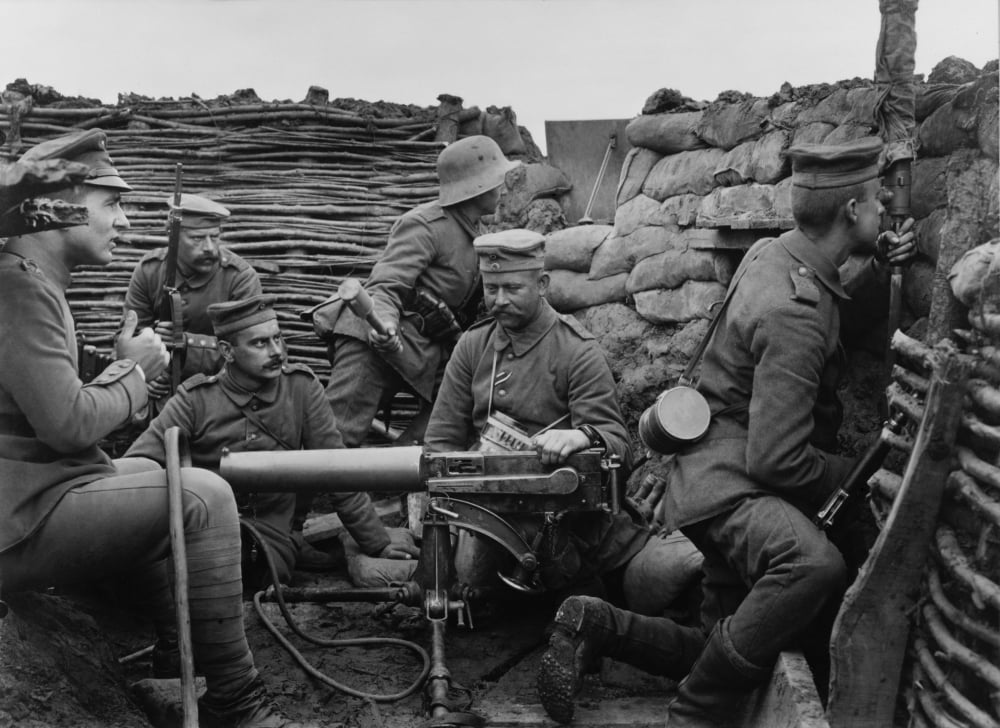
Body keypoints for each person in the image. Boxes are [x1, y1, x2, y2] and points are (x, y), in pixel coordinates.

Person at [536, 137, 917, 726]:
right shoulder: (795, 312)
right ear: (850, 211)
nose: (883, 211)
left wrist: (875, 272)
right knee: (813, 567)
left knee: (727, 638)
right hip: (734, 485)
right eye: (875, 202)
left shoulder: (772, 255)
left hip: (702, 469)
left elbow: (832, 302)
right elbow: (779, 462)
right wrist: (862, 481)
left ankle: (598, 622)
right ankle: (696, 713)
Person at [0, 129, 310, 728]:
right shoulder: (20, 290)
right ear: (58, 208)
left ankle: (175, 652)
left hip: (25, 499)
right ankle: (237, 702)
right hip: (15, 520)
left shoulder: (28, 281)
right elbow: (67, 426)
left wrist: (121, 375)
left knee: (153, 469)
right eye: (111, 204)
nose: (125, 223)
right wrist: (133, 373)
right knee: (205, 494)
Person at [424, 228, 703, 606]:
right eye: (491, 289)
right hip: (485, 515)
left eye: (512, 288)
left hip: (565, 525)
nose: (500, 301)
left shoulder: (577, 352)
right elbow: (441, 441)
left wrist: (583, 436)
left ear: (541, 284)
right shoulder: (473, 347)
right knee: (457, 587)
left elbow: (618, 446)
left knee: (629, 588)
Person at [124, 294, 419, 588]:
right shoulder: (196, 400)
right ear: (227, 351)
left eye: (278, 338)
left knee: (237, 572)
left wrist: (378, 543)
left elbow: (336, 471)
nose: (277, 351)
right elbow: (141, 462)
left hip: (269, 540)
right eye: (260, 343)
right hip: (203, 529)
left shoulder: (300, 389)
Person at [319, 135, 519, 448]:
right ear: (477, 186)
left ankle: (397, 482)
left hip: (421, 351)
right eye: (497, 180)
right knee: (335, 439)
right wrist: (383, 323)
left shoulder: (477, 234)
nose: (503, 188)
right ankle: (311, 496)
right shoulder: (424, 225)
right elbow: (385, 285)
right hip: (372, 342)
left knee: (462, 406)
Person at [123, 192, 262, 399]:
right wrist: (143, 375)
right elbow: (128, 336)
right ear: (174, 237)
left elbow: (250, 350)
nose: (209, 247)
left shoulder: (239, 278)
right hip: (162, 395)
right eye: (197, 238)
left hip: (223, 393)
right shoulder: (149, 271)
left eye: (214, 237)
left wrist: (187, 343)